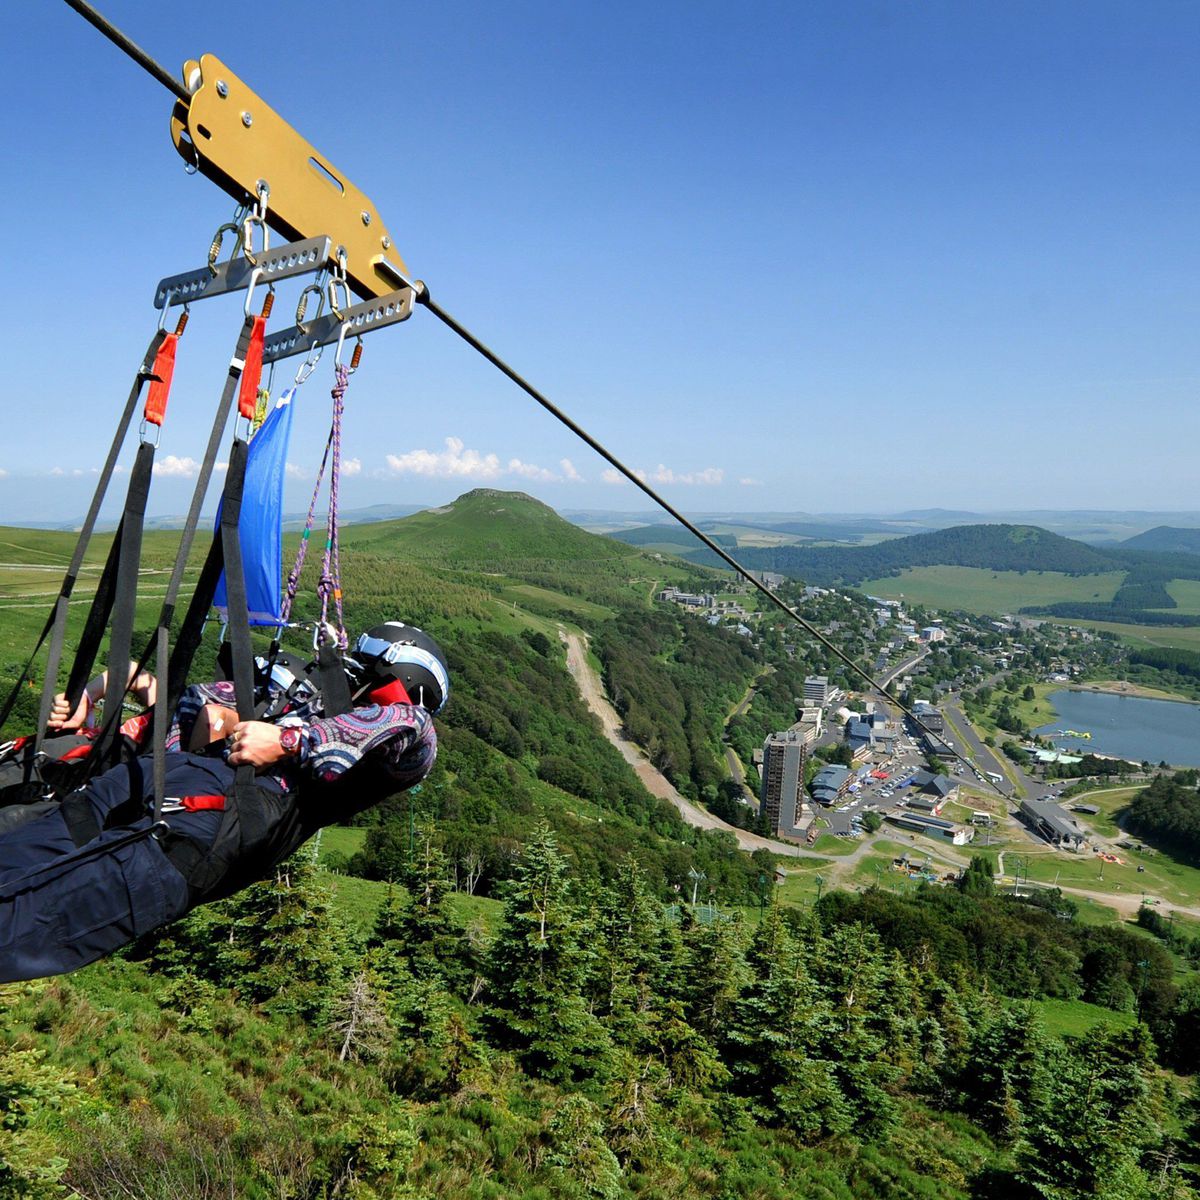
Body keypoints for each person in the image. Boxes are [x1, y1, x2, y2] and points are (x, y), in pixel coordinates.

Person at [0, 621, 447, 984]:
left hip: (188, 836)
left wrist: (289, 741)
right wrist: (97, 695)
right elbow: (199, 697)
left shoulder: (390, 749)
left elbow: (410, 724)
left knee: (18, 925)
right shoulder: (303, 706)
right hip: (143, 791)